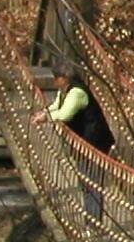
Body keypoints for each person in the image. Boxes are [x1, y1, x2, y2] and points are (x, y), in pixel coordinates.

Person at [43, 76, 113, 219]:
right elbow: (57, 106)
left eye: (56, 78)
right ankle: (90, 219)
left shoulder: (77, 93)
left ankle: (94, 221)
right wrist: (44, 113)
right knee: (85, 183)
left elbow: (65, 114)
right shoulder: (64, 91)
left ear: (64, 78)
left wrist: (46, 118)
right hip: (83, 145)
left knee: (92, 183)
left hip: (94, 144)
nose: (53, 81)